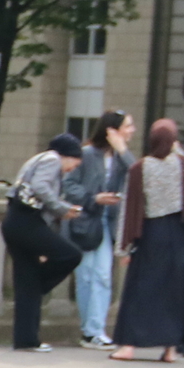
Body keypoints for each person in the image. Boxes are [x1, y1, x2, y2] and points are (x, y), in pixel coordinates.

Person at [110, 118, 184, 362]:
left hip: (151, 233)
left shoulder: (140, 168)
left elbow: (129, 210)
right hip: (180, 232)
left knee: (140, 289)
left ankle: (129, 345)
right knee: (175, 291)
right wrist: (178, 149)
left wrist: (123, 248)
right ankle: (170, 348)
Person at [1, 132, 87, 352]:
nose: (71, 170)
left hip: (14, 221)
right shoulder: (52, 160)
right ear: (67, 156)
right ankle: (40, 284)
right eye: (74, 164)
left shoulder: (38, 159)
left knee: (26, 283)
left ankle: (26, 339)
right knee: (71, 254)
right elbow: (40, 187)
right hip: (26, 222)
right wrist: (61, 209)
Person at [66, 111, 133, 348]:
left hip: (110, 222)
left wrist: (122, 150)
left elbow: (138, 175)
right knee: (85, 275)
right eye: (128, 126)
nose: (132, 130)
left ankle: (95, 329)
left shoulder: (122, 158)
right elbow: (68, 185)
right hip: (86, 221)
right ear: (111, 130)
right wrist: (94, 198)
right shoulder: (86, 154)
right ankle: (89, 330)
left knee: (103, 274)